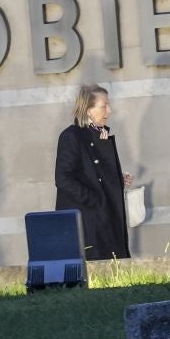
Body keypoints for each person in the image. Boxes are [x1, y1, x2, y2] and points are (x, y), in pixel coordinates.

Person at [55, 83, 132, 260]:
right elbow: (63, 178)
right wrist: (93, 198)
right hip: (87, 219)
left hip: (105, 217)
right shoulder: (71, 136)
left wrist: (117, 179)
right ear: (88, 110)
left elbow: (95, 173)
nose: (109, 111)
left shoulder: (100, 135)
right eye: (104, 106)